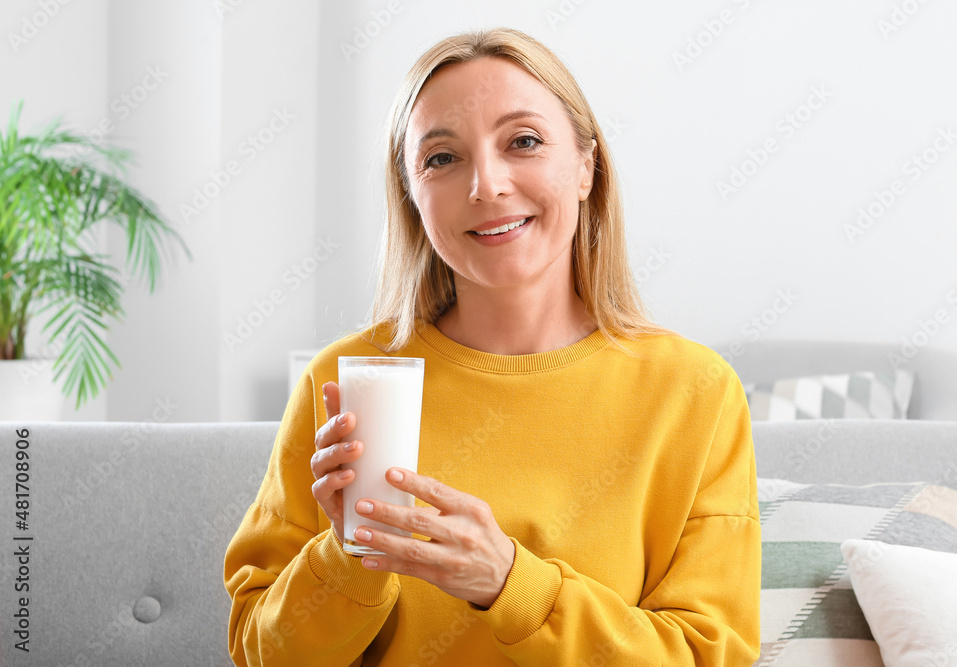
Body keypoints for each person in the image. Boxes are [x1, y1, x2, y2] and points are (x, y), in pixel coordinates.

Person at [225, 27, 760, 666]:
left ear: (586, 166)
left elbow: (708, 657)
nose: (487, 184)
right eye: (442, 158)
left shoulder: (693, 391)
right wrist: (348, 559)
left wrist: (510, 582)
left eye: (524, 142)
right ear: (412, 196)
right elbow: (262, 657)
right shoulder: (343, 380)